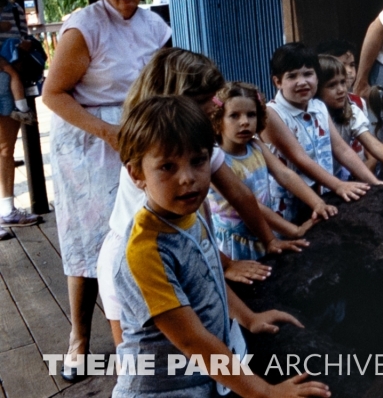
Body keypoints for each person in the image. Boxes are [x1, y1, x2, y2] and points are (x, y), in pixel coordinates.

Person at [112, 95, 330, 398]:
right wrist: (264, 392)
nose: (187, 178)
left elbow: (210, 277)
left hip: (203, 379)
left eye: (198, 161)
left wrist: (248, 317)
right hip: (162, 389)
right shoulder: (145, 251)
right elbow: (192, 341)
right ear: (136, 174)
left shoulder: (190, 215)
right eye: (167, 167)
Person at [97, 48, 312, 353]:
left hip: (184, 243)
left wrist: (268, 241)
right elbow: (196, 244)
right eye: (202, 102)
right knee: (140, 353)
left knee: (199, 345)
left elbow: (238, 194)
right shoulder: (156, 158)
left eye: (212, 100)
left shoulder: (198, 150)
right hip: (135, 254)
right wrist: (225, 264)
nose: (213, 107)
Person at [42, 0, 171, 378]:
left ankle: (142, 325)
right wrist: (108, 132)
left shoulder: (154, 25)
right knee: (90, 238)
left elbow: (160, 82)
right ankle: (79, 338)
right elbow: (52, 94)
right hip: (88, 139)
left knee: (139, 227)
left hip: (138, 134)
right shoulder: (85, 26)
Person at [209, 82, 335, 260]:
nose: (244, 122)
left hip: (265, 232)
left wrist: (317, 203)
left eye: (251, 115)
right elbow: (250, 204)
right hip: (236, 244)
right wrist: (294, 230)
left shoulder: (255, 145)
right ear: (218, 118)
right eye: (234, 116)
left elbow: (285, 174)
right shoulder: (216, 160)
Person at [262, 43, 383, 222]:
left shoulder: (318, 106)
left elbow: (342, 149)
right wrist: (339, 185)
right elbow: (300, 158)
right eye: (292, 76)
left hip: (322, 196)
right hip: (287, 205)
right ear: (277, 82)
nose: (302, 81)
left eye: (308, 74)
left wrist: (374, 183)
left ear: (317, 77)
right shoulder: (272, 113)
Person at [0, 0, 39, 241]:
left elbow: (25, 36)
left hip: (8, 82)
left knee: (5, 148)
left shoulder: (13, 8)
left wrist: (24, 47)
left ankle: (7, 208)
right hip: (4, 75)